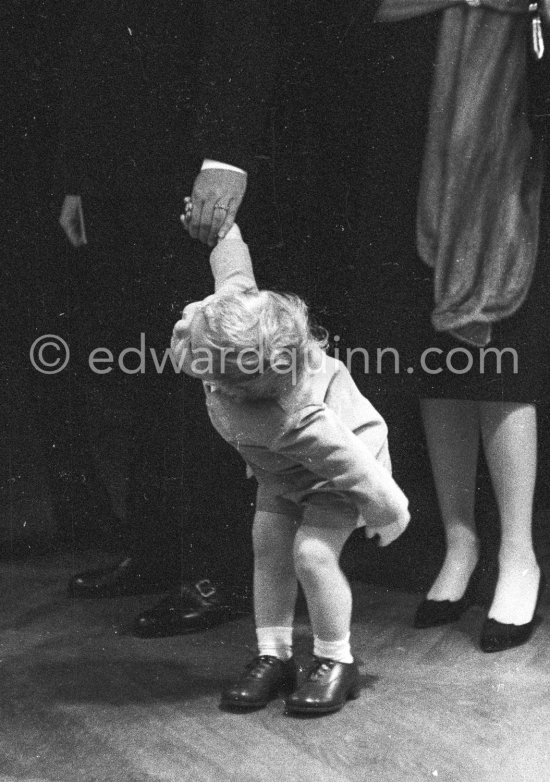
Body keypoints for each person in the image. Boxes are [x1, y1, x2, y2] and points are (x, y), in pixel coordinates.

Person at [57, 0, 277, 636]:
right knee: (140, 361)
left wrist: (228, 153)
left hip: (192, 156)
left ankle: (218, 572)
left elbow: (244, 23)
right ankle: (157, 551)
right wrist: (81, 176)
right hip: (120, 165)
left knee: (202, 364)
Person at [337, 0, 550, 652]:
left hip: (503, 112)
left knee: (499, 345)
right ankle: (460, 542)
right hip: (414, 100)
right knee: (429, 349)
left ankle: (519, 554)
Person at [171, 216, 410, 713]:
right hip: (279, 471)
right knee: (267, 546)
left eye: (188, 343)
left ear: (231, 386)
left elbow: (355, 466)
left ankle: (335, 661)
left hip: (340, 471)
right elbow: (233, 271)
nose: (180, 330)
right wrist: (227, 232)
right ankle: (273, 655)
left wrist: (389, 513)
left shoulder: (296, 417)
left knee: (313, 555)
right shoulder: (232, 316)